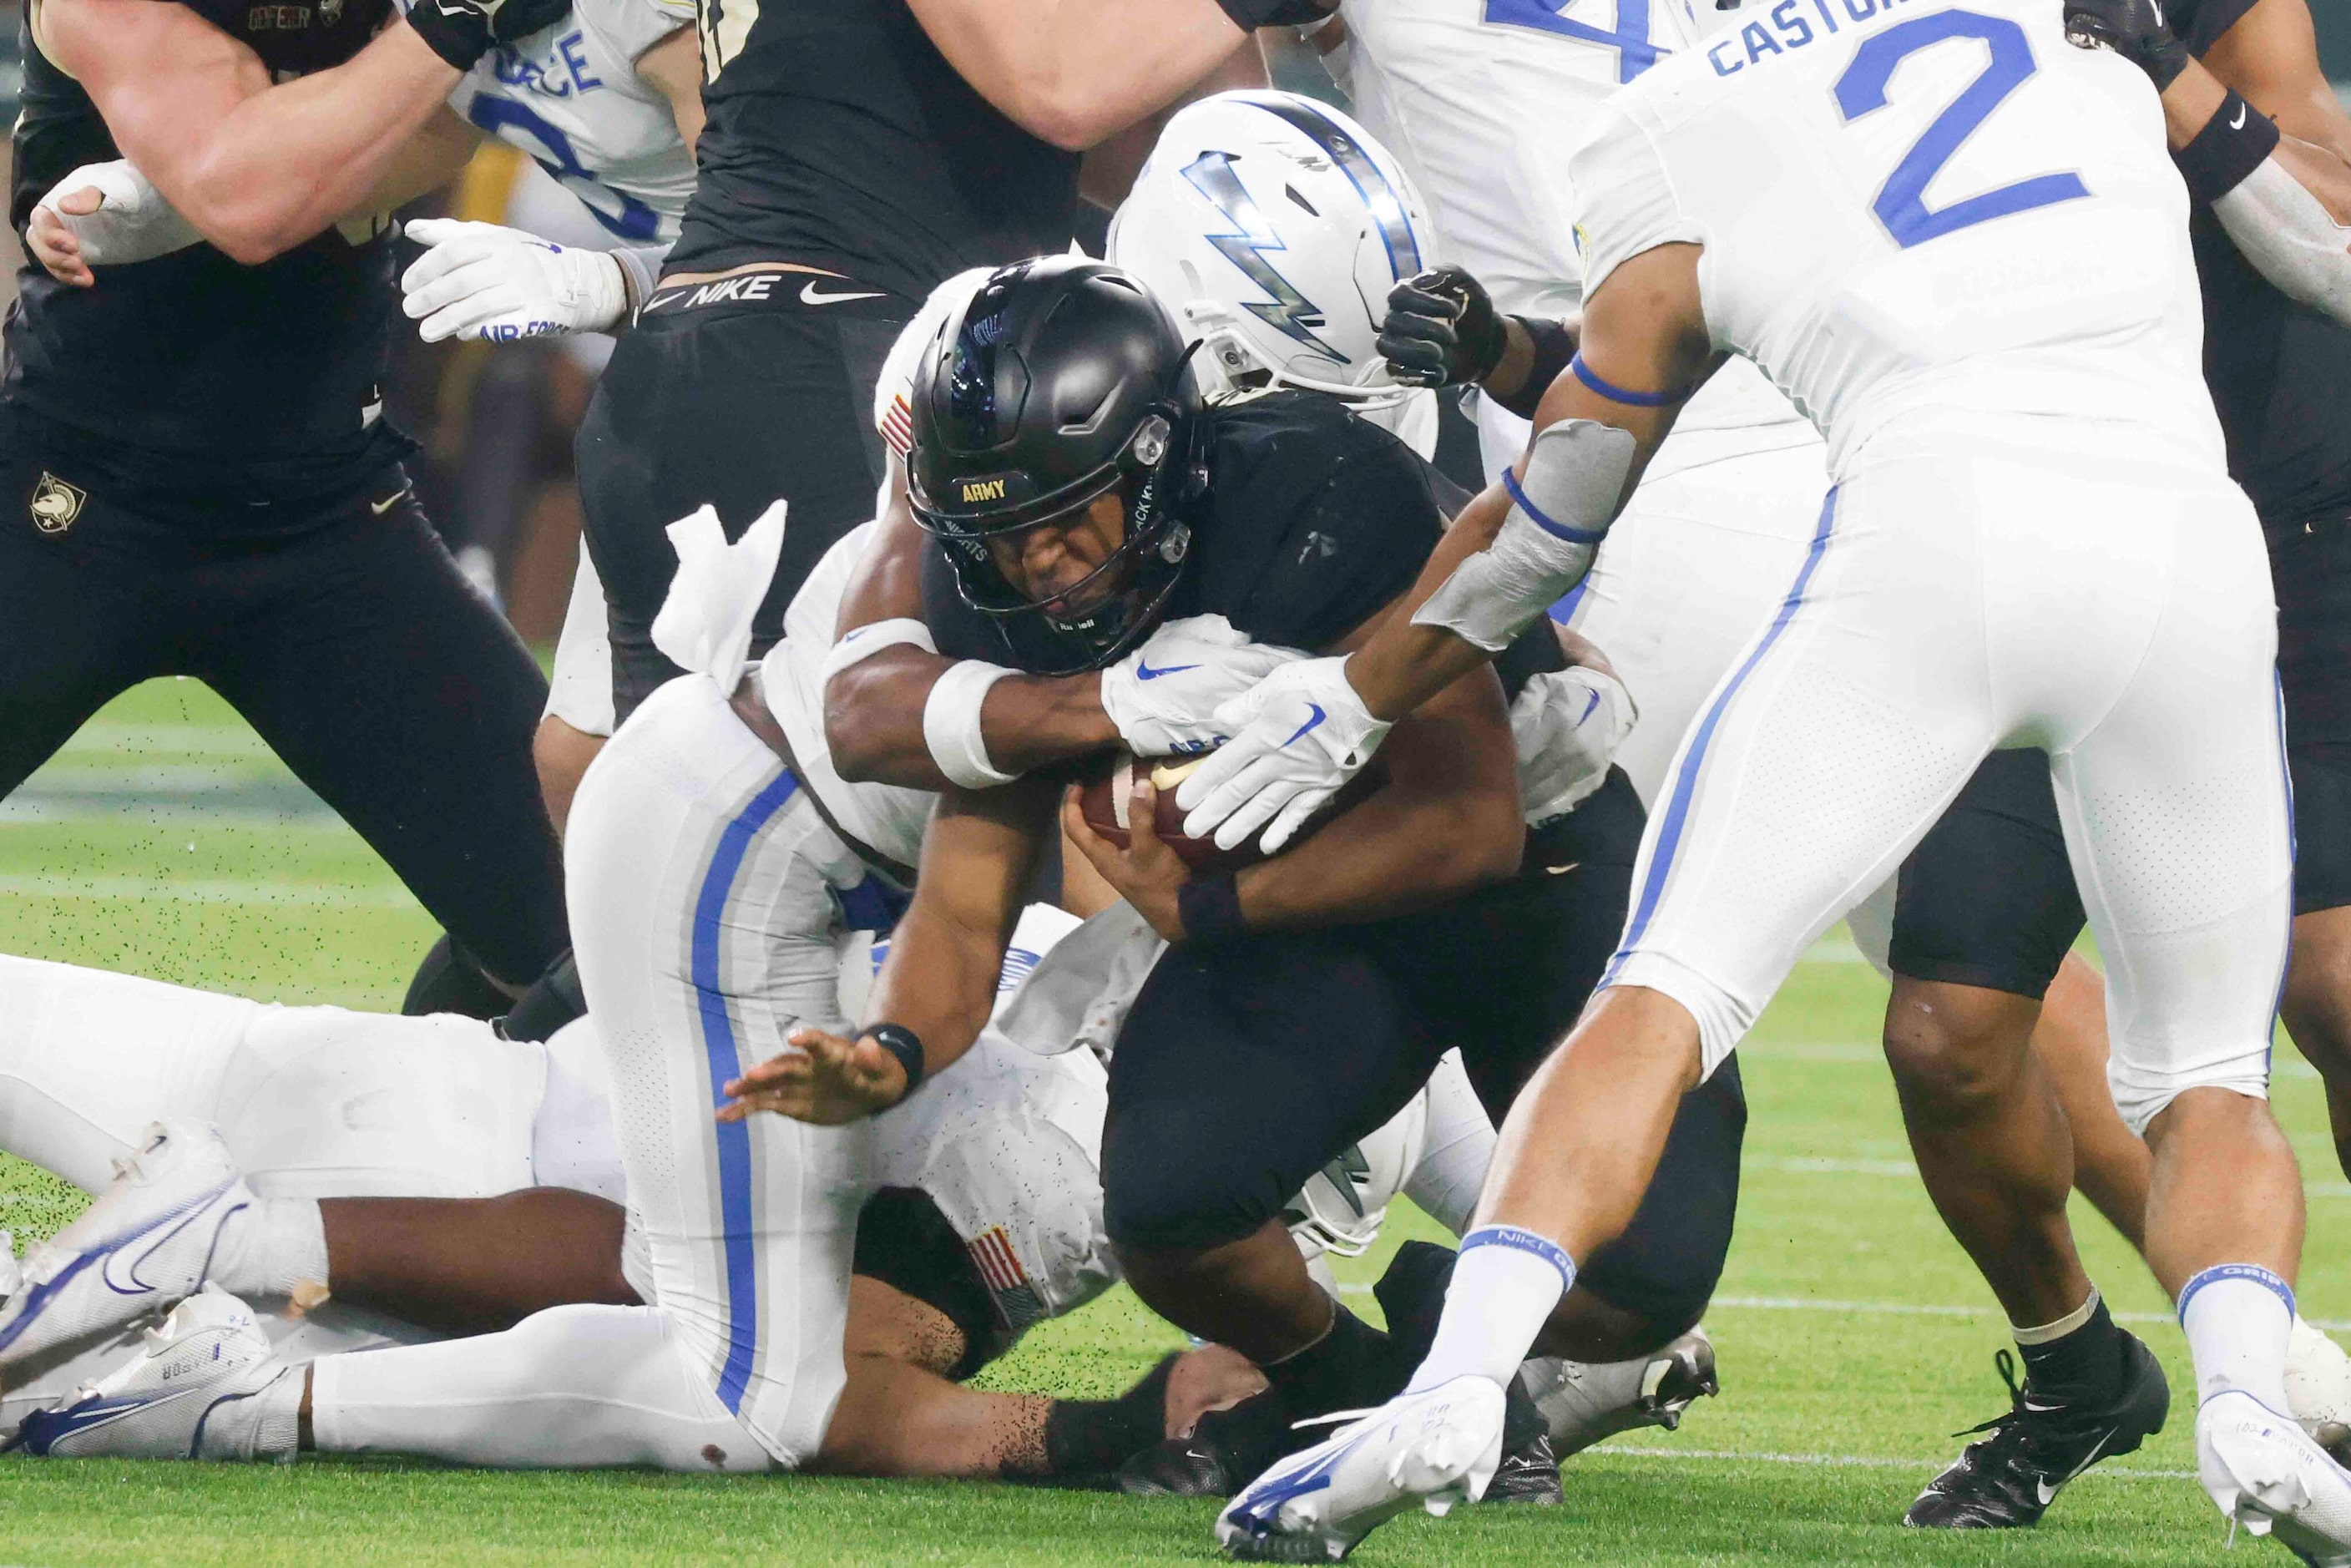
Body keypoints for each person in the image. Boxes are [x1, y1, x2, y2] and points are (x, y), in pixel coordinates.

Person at [1188, 0, 2351, 1555]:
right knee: (2207, 1077)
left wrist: (1356, 687)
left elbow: (1559, 508)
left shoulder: (1661, 124)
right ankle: (2250, 1407)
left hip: (1941, 535)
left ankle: (1459, 1377)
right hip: (2192, 556)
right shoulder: (2051, 21)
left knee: (1661, 994)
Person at [761, 254, 1745, 1499]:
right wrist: (893, 1050)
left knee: (1642, 1284)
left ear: (1159, 458)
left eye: (1070, 519)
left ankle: (1464, 1317)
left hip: (1527, 873)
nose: (1047, 567)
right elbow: (970, 885)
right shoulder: (998, 587)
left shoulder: (1320, 492)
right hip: (1299, 913)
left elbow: (1465, 825)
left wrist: (1211, 906)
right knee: (1171, 1216)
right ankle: (1361, 1387)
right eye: (1006, 540)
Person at [3, 0, 588, 1017]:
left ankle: (428, 1157)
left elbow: (462, 123)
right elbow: (250, 204)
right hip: (69, 504)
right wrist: (453, 27)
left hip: (326, 517)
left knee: (593, 938)